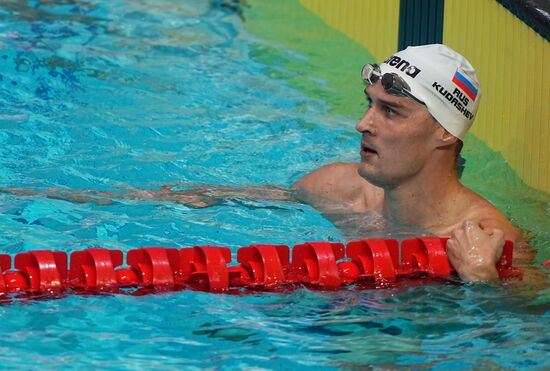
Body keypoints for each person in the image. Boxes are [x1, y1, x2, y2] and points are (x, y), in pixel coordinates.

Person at [0, 44, 532, 282]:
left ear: (445, 132)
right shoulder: (340, 187)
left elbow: (523, 334)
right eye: (368, 104)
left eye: (389, 111)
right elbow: (212, 196)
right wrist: (57, 199)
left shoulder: (487, 239)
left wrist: (484, 284)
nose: (363, 124)